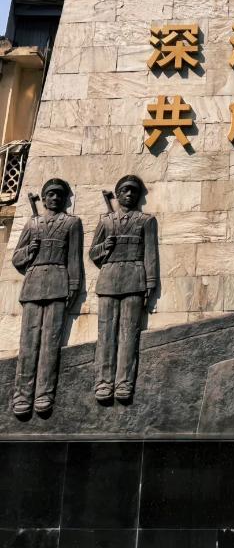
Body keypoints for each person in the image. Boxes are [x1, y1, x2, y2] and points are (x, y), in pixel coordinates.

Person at [11, 179, 83, 416]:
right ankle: (22, 395)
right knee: (28, 343)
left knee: (50, 343)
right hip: (33, 285)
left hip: (58, 284)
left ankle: (44, 394)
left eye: (59, 195)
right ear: (43, 198)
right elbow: (17, 258)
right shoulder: (32, 224)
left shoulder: (71, 223)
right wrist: (29, 251)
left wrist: (73, 287)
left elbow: (74, 259)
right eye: (50, 194)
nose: (55, 198)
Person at [89, 175, 158, 402]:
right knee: (106, 334)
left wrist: (150, 283)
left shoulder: (145, 221)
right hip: (108, 280)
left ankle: (124, 383)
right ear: (117, 194)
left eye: (134, 191)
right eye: (125, 191)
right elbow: (93, 253)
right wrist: (104, 246)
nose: (129, 195)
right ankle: (103, 382)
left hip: (134, 280)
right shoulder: (106, 221)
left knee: (129, 334)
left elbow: (150, 254)